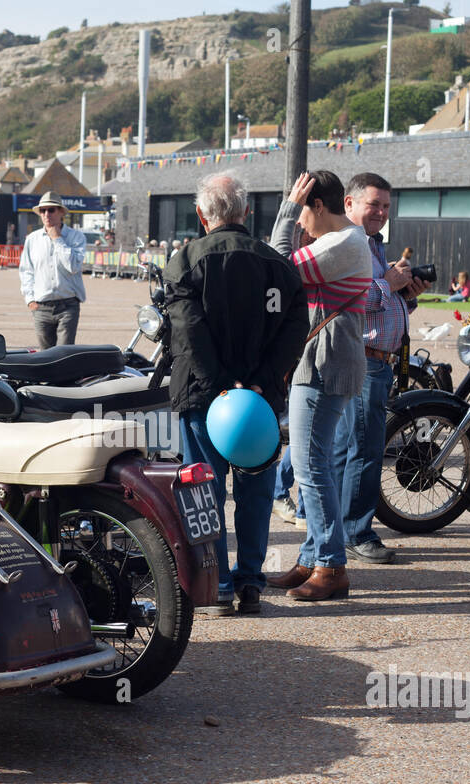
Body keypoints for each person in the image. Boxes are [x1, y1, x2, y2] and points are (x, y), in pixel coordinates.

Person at [164, 172, 308, 615]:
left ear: (202, 216)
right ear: (245, 212)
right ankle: (250, 580)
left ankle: (217, 582)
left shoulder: (184, 260)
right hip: (260, 399)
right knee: (256, 491)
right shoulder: (278, 264)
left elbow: (189, 331)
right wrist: (261, 379)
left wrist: (220, 384)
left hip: (204, 397)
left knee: (205, 493)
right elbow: (295, 329)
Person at [264, 171, 372, 602]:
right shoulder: (343, 243)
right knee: (317, 462)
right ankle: (313, 558)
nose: (301, 223)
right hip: (327, 360)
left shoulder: (343, 243)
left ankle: (331, 566)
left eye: (303, 211)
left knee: (310, 466)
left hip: (324, 364)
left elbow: (276, 266)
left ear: (317, 205)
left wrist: (286, 212)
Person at [339, 171, 430, 565]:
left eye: (385, 206)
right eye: (373, 204)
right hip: (361, 362)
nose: (379, 212)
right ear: (349, 204)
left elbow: (380, 307)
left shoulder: (373, 245)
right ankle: (356, 533)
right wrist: (389, 285)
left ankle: (341, 529)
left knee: (352, 449)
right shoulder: (347, 243)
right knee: (363, 450)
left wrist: (407, 297)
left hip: (377, 363)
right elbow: (346, 298)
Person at [19, 191, 87, 349]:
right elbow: (26, 271)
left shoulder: (76, 237)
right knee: (46, 357)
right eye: (43, 210)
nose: (46, 214)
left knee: (65, 354)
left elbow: (73, 266)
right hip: (41, 307)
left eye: (51, 210)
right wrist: (30, 300)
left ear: (61, 212)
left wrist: (58, 239)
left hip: (68, 305)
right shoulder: (32, 239)